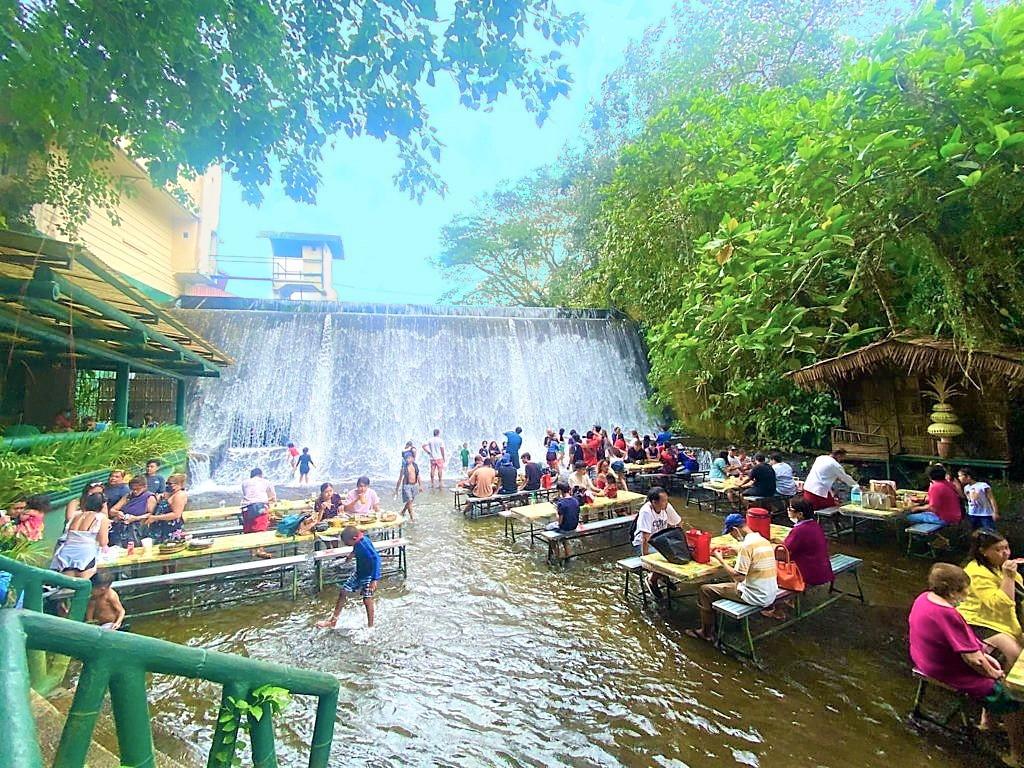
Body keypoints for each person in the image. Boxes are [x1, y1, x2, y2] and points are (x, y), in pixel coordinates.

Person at [909, 563, 1024, 765]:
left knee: (1003, 641)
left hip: (924, 655)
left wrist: (984, 656)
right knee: (1011, 697)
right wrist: (993, 674)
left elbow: (969, 647)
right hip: (944, 667)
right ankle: (1017, 755)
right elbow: (973, 659)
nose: (966, 595)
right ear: (952, 591)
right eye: (964, 590)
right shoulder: (947, 613)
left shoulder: (924, 598)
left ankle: (988, 722)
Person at [691, 513, 778, 643]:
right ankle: (716, 622)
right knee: (727, 583)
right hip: (771, 592)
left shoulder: (746, 546)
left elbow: (738, 576)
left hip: (756, 596)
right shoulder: (762, 540)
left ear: (735, 530)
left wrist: (720, 559)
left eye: (731, 534)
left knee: (705, 590)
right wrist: (736, 551)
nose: (733, 537)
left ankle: (706, 633)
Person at [957, 530, 1024, 672]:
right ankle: (1006, 685)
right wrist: (1008, 576)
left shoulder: (1000, 565)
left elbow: (1019, 592)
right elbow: (1001, 605)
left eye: (1006, 547)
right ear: (983, 552)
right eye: (998, 550)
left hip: (1001, 616)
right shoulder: (976, 573)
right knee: (1014, 652)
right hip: (978, 620)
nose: (1005, 553)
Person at [317, 526, 382, 629]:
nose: (346, 544)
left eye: (347, 543)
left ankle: (371, 626)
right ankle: (333, 621)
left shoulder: (364, 544)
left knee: (367, 599)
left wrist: (375, 579)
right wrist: (351, 555)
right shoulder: (359, 540)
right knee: (343, 591)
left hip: (369, 574)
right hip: (359, 573)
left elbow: (376, 559)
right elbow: (356, 548)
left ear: (354, 538)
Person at [632, 486, 683, 599]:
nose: (666, 503)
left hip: (660, 541)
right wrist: (646, 559)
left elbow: (678, 523)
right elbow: (645, 538)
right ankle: (652, 580)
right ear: (654, 502)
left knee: (679, 553)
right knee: (664, 559)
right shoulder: (646, 511)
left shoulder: (666, 506)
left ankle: (665, 577)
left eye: (666, 500)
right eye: (663, 500)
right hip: (643, 544)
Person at [50, 492, 109, 579]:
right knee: (83, 583)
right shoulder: (101, 517)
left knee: (67, 585)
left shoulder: (75, 515)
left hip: (67, 551)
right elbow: (103, 542)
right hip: (86, 553)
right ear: (102, 505)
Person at [776, 498, 833, 587]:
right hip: (823, 570)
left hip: (808, 573)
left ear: (800, 514)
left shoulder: (799, 530)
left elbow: (784, 550)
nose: (788, 511)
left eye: (790, 509)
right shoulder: (815, 525)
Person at [240, 468, 276, 558]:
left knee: (249, 529)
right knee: (260, 530)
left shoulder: (244, 483)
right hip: (259, 507)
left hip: (246, 508)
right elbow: (273, 497)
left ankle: (252, 551)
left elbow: (249, 496)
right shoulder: (266, 482)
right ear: (261, 475)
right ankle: (260, 550)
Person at [109, 476, 155, 548]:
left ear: (144, 487)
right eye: (133, 489)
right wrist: (117, 513)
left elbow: (151, 514)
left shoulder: (149, 497)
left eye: (138, 489)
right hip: (123, 528)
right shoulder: (128, 496)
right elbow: (112, 510)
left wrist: (136, 518)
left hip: (139, 529)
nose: (135, 491)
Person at [544, 482, 581, 561]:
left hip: (565, 528)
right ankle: (567, 553)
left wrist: (556, 513)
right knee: (563, 536)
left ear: (560, 491)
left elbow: (560, 522)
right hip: (574, 526)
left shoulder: (561, 503)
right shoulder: (575, 500)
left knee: (547, 529)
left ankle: (557, 554)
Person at [148, 473, 187, 543]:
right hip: (160, 527)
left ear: (179, 484)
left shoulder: (179, 495)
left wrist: (155, 518)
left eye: (170, 484)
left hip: (170, 529)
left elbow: (176, 514)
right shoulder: (169, 494)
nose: (168, 486)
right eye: (167, 483)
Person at [395, 452, 423, 520]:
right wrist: (396, 490)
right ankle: (412, 518)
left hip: (414, 485)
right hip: (406, 486)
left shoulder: (415, 466)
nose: (407, 460)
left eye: (409, 458)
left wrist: (421, 485)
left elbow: (418, 476)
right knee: (410, 501)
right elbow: (400, 479)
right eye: (406, 458)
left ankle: (403, 511)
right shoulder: (404, 468)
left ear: (413, 459)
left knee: (410, 501)